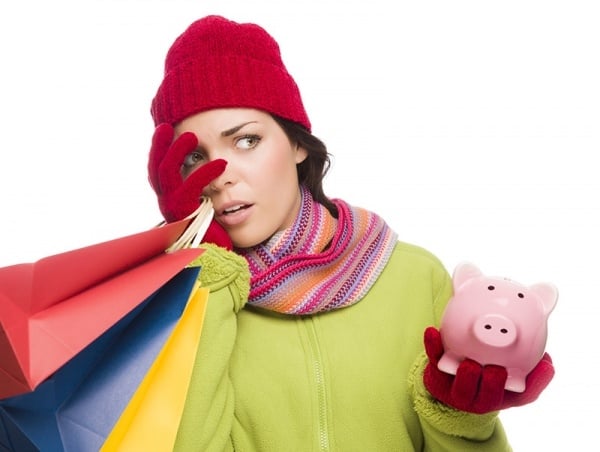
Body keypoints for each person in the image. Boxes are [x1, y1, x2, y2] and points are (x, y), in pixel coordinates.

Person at [147, 15, 554, 451]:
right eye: (194, 158)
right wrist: (203, 277)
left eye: (246, 141)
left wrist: (462, 422)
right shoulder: (176, 301)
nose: (220, 176)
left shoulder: (416, 279)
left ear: (298, 143)